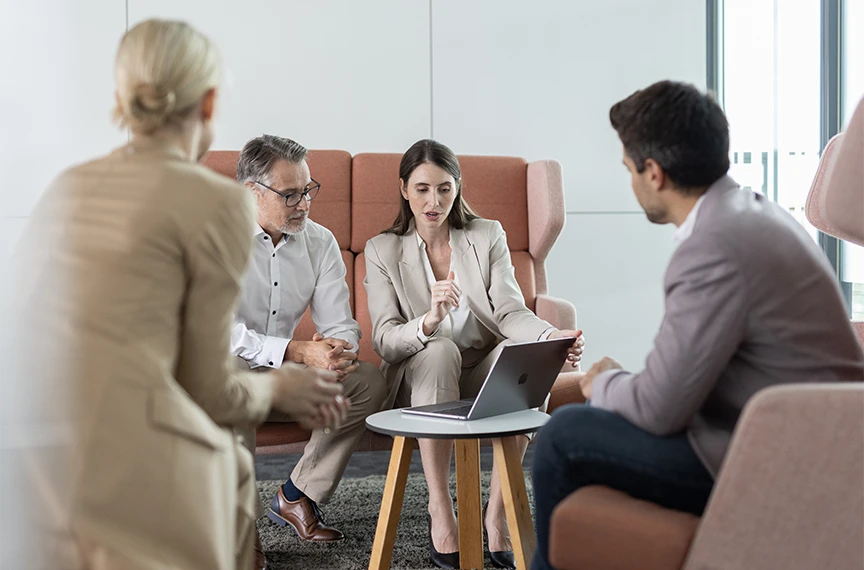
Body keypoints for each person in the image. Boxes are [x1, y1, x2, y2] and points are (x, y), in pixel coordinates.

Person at [9, 20, 349, 570]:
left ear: (122, 98)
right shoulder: (213, 205)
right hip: (143, 480)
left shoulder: (67, 188)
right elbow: (212, 390)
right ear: (209, 102)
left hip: (38, 477)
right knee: (226, 448)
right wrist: (282, 383)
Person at [530, 80, 864, 570]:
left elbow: (659, 410)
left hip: (777, 456)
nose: (630, 183)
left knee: (565, 436)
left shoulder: (713, 246)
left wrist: (600, 381)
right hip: (802, 436)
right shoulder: (753, 212)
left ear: (654, 173)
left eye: (628, 170)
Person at [364, 139, 584, 570]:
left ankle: (497, 514)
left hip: (482, 368)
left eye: (445, 188)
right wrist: (428, 320)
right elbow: (385, 340)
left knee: (524, 352)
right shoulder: (382, 250)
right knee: (439, 349)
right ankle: (440, 510)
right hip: (423, 375)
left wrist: (549, 335)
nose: (434, 201)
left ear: (458, 188)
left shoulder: (487, 235)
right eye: (423, 189)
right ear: (404, 189)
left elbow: (509, 310)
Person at [231, 134, 387, 543]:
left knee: (366, 382)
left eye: (308, 191)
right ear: (252, 192)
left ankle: (297, 495)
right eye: (291, 194)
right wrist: (297, 350)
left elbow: (341, 322)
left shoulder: (320, 242)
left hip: (284, 380)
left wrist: (336, 349)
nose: (303, 204)